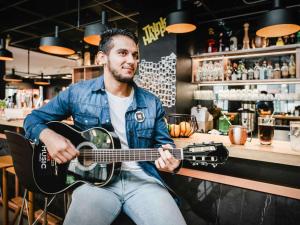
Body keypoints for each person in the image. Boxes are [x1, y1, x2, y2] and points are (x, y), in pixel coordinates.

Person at [24, 28, 186, 225]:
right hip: (94, 184)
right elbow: (32, 120)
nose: (132, 61)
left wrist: (173, 160)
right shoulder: (78, 93)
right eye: (122, 53)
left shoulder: (152, 102)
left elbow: (165, 144)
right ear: (102, 57)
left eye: (135, 55)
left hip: (143, 181)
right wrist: (48, 136)